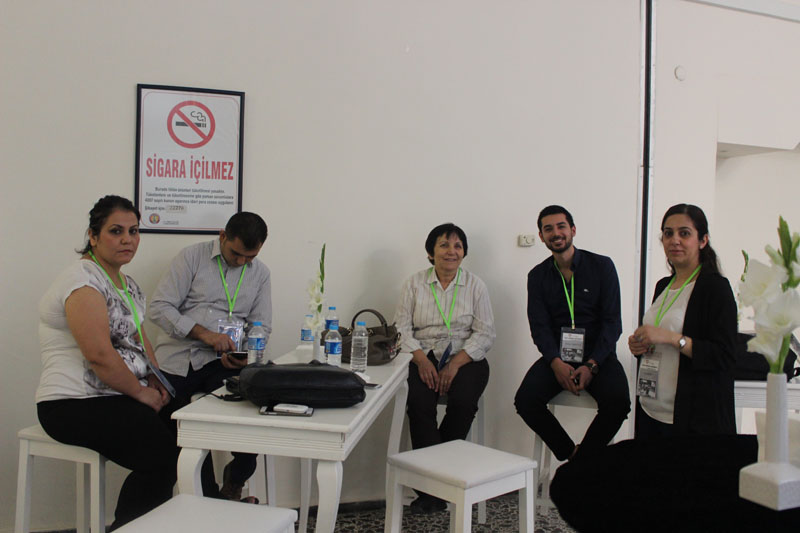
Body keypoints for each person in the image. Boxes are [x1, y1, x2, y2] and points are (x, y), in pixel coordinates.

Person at [36, 195, 178, 529]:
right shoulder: (82, 281)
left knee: (187, 427)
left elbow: (141, 341)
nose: (128, 239)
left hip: (115, 395)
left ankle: (214, 511)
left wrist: (156, 380)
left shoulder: (127, 285)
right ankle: (125, 528)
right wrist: (141, 394)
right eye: (116, 231)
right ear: (93, 236)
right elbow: (98, 355)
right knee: (163, 454)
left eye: (134, 231)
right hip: (71, 403)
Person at [149, 211, 271, 502]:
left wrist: (247, 354)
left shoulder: (260, 273)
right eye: (236, 253)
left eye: (250, 257)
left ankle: (237, 476)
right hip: (181, 358)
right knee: (181, 428)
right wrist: (203, 334)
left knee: (255, 404)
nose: (241, 261)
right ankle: (212, 500)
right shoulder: (191, 258)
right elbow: (159, 307)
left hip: (225, 362)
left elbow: (261, 326)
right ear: (222, 236)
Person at [515, 205, 630, 462]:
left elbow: (613, 323)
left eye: (561, 226)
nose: (556, 233)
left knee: (619, 403)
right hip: (558, 357)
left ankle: (584, 460)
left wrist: (592, 365)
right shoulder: (537, 276)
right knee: (525, 401)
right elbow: (539, 327)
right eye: (548, 229)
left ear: (573, 230)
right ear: (541, 236)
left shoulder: (602, 266)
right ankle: (572, 455)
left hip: (598, 356)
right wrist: (555, 363)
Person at [394, 222, 496, 513]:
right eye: (444, 245)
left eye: (457, 246)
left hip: (465, 357)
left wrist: (455, 365)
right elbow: (401, 329)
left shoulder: (476, 285)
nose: (451, 251)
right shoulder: (414, 284)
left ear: (464, 253)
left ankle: (433, 487)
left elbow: (485, 333)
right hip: (421, 355)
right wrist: (421, 359)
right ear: (431, 252)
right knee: (419, 404)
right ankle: (438, 489)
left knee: (463, 402)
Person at [628, 203, 737, 437]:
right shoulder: (663, 286)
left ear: (703, 240)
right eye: (668, 233)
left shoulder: (715, 287)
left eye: (684, 233)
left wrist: (672, 338)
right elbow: (658, 339)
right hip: (650, 408)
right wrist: (639, 345)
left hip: (691, 416)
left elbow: (724, 355)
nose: (674, 240)